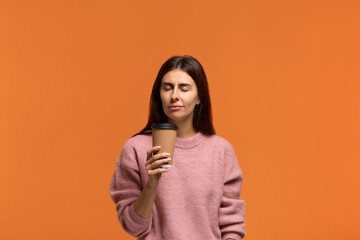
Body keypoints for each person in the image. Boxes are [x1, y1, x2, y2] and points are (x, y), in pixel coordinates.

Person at [110, 55, 245, 240]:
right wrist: (151, 184)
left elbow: (231, 223)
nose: (174, 95)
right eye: (167, 87)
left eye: (184, 88)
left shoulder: (221, 150)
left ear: (199, 98)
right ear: (159, 94)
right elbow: (133, 227)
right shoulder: (135, 149)